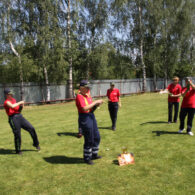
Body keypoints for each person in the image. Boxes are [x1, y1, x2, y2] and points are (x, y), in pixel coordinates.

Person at [3, 88, 40, 154]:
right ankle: (18, 150)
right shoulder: (6, 102)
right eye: (9, 94)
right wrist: (20, 102)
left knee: (31, 128)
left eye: (11, 93)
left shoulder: (14, 100)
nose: (11, 95)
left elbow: (19, 110)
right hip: (13, 119)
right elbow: (12, 106)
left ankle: (36, 144)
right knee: (17, 134)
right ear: (6, 95)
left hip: (20, 116)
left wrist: (21, 106)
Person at [75, 80, 103, 165]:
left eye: (88, 87)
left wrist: (96, 105)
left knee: (97, 136)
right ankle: (87, 157)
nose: (88, 89)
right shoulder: (79, 96)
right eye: (86, 87)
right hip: (85, 118)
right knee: (89, 138)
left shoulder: (88, 95)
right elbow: (84, 108)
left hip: (91, 116)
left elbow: (90, 109)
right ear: (81, 88)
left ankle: (94, 154)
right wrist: (95, 102)